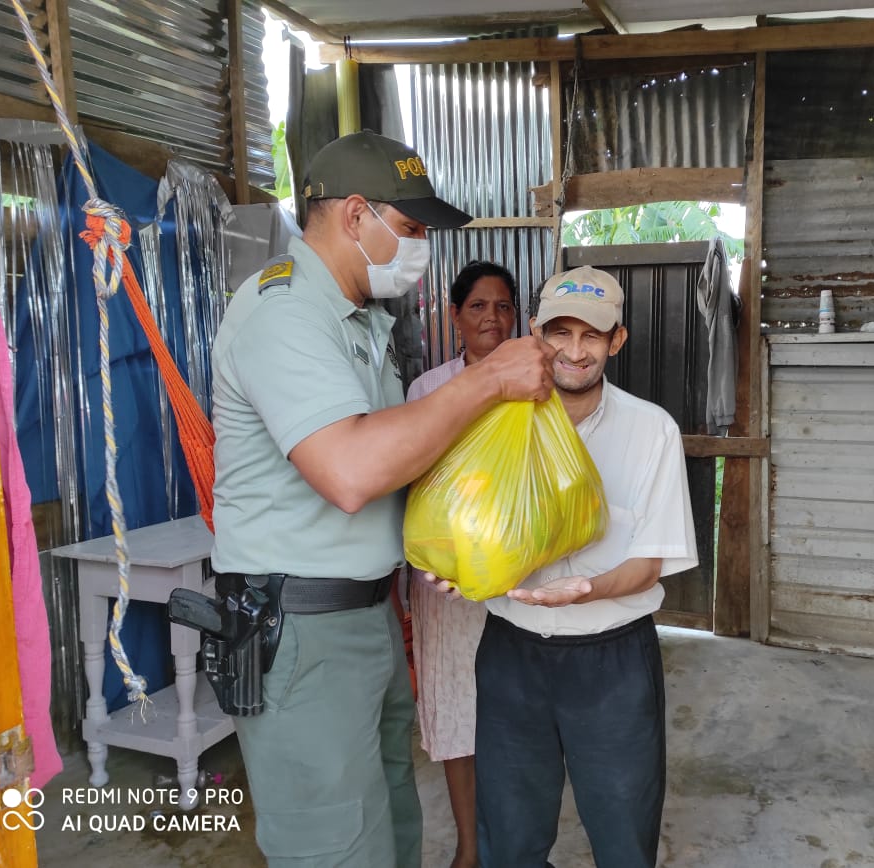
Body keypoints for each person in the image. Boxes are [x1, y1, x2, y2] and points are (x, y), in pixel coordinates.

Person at [209, 130, 554, 868]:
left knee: (391, 833)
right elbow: (351, 472)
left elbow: (401, 458)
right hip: (299, 632)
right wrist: (488, 380)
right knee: (336, 847)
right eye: (411, 229)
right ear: (356, 215)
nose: (421, 246)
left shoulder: (360, 318)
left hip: (366, 620)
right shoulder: (284, 313)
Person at [472, 265, 699, 868]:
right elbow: (460, 524)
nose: (574, 352)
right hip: (511, 651)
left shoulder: (652, 431)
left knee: (624, 832)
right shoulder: (490, 421)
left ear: (616, 340)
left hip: (611, 662)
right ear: (534, 331)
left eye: (591, 336)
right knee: (509, 833)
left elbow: (649, 564)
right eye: (560, 332)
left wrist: (586, 590)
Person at [407, 259, 519, 868]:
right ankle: (470, 850)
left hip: (520, 576)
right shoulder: (427, 391)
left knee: (513, 715)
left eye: (503, 306)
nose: (492, 318)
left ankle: (513, 845)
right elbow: (417, 485)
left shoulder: (538, 384)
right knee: (456, 712)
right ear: (455, 317)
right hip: (447, 580)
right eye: (478, 306)